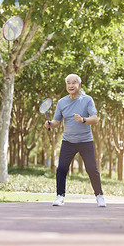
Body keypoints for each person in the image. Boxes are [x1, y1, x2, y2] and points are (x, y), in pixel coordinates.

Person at [44, 74, 106, 207]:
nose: (71, 85)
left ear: (79, 85)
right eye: (68, 83)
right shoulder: (62, 102)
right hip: (68, 141)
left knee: (92, 169)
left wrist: (83, 120)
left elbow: (95, 119)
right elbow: (56, 121)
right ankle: (60, 196)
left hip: (85, 141)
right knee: (61, 169)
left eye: (74, 83)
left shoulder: (87, 100)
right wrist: (50, 124)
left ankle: (99, 196)